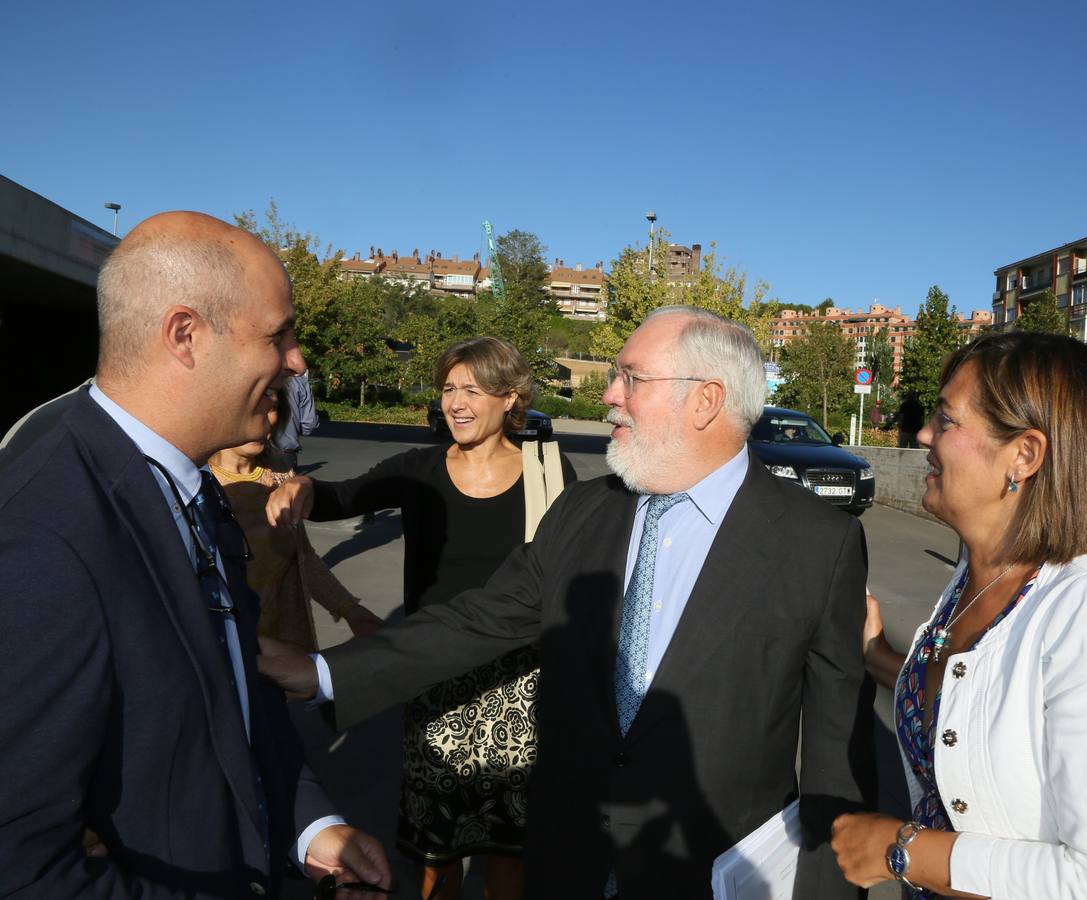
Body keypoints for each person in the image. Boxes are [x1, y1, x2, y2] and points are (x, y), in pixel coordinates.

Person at [261, 306, 875, 900]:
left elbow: (835, 765)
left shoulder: (819, 544)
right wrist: (321, 671)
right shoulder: (584, 512)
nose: (610, 394)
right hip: (566, 861)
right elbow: (478, 618)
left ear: (705, 400)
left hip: (709, 870)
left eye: (631, 378)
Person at [0, 211, 391, 897]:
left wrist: (309, 824)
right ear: (186, 335)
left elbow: (234, 690)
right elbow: (20, 864)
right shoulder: (42, 532)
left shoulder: (196, 490)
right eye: (278, 334)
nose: (297, 359)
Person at [832, 331, 1087, 898]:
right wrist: (880, 659)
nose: (923, 435)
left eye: (946, 419)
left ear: (1025, 455)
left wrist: (902, 849)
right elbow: (981, 703)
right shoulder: (976, 577)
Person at [267, 336, 576, 900]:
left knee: (509, 850)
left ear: (510, 398)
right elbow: (343, 496)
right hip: (432, 679)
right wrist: (302, 486)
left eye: (473, 390)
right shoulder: (420, 469)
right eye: (449, 388)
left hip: (521, 686)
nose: (456, 402)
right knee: (439, 852)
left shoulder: (549, 472)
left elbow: (577, 574)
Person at [208, 390, 383, 653]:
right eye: (253, 407)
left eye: (272, 407)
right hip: (228, 643)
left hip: (287, 636)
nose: (264, 420)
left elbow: (302, 555)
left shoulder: (279, 470)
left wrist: (350, 609)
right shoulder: (198, 482)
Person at [273, 371, 319, 471]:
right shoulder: (299, 381)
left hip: (252, 454)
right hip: (286, 451)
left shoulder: (251, 376)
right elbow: (309, 424)